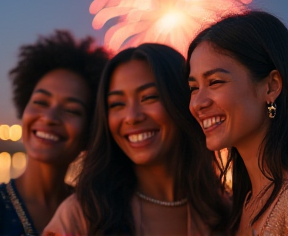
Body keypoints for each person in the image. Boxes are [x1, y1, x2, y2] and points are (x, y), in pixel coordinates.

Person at [43, 43, 229, 236]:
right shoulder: (83, 216)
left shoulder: (227, 212)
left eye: (148, 97)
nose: (132, 116)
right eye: (117, 104)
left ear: (182, 100)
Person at [187, 11, 288, 236]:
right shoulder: (244, 203)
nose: (198, 103)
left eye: (215, 82)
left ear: (271, 86)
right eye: (194, 88)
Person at [0, 30, 110, 236]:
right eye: (41, 102)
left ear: (91, 130)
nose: (50, 117)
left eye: (71, 110)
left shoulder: (100, 216)